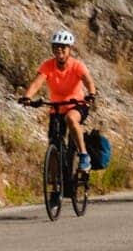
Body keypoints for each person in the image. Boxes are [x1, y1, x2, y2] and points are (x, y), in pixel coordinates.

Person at [22, 29, 94, 172]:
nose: (59, 49)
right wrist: (27, 97)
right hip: (56, 108)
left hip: (77, 105)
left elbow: (89, 82)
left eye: (63, 47)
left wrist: (91, 94)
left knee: (70, 119)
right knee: (53, 142)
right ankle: (55, 184)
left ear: (69, 49)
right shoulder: (48, 66)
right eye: (56, 47)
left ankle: (84, 155)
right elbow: (37, 83)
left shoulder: (77, 65)